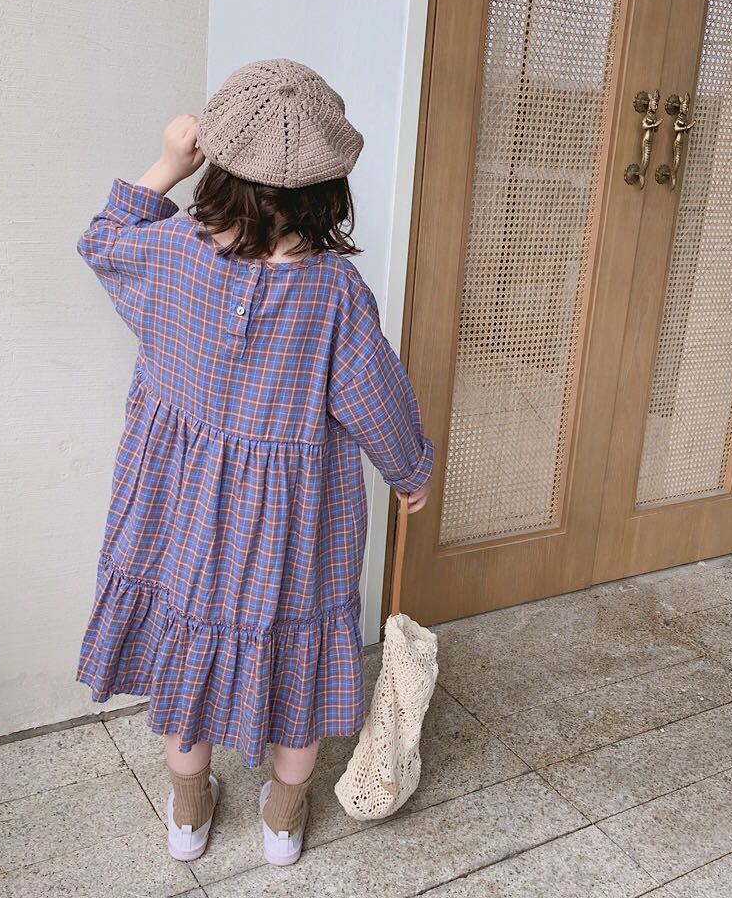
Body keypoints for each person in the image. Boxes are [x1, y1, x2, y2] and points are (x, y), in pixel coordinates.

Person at [75, 60, 433, 865]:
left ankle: (189, 811)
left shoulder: (174, 251)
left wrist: (165, 164)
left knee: (190, 661)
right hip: (293, 534)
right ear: (329, 191)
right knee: (298, 663)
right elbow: (375, 397)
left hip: (181, 517)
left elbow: (101, 241)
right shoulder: (335, 294)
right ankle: (282, 819)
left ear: (217, 169)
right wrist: (409, 470)